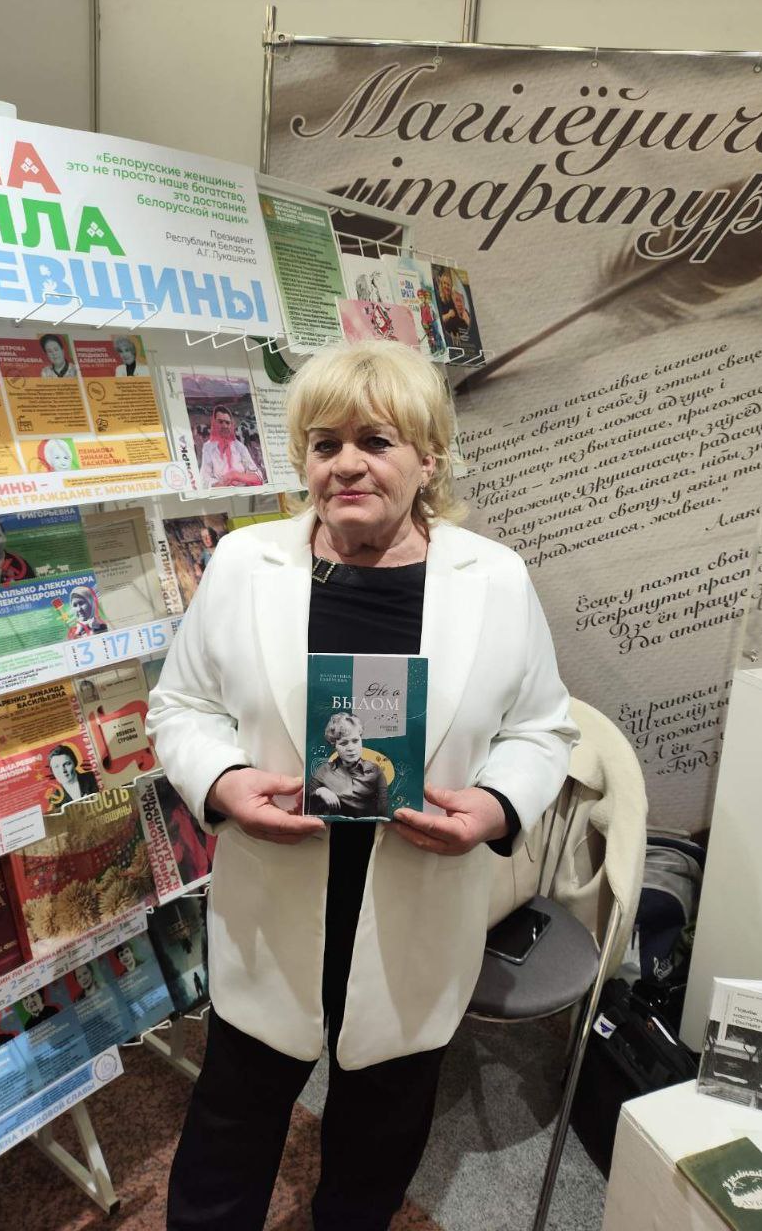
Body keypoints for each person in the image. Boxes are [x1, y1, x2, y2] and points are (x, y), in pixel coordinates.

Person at [147, 339, 577, 1231]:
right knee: (230, 1126)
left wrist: (496, 806)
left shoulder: (494, 579)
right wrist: (223, 781)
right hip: (276, 895)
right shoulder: (244, 564)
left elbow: (542, 728)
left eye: (375, 441)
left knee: (378, 1137)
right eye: (324, 443)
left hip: (418, 899)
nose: (346, 463)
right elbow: (182, 705)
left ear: (429, 459)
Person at [306, 712, 389, 819]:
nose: (351, 748)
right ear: (334, 746)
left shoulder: (375, 771)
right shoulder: (324, 771)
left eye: (355, 741)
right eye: (344, 743)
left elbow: (383, 814)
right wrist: (319, 791)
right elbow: (306, 803)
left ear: (361, 740)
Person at [200, 406, 263, 488]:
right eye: (220, 422)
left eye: (227, 423)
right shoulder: (208, 447)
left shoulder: (239, 447)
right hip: (222, 492)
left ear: (231, 425)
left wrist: (235, 475)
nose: (224, 426)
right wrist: (220, 484)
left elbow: (258, 477)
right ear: (214, 423)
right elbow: (204, 478)